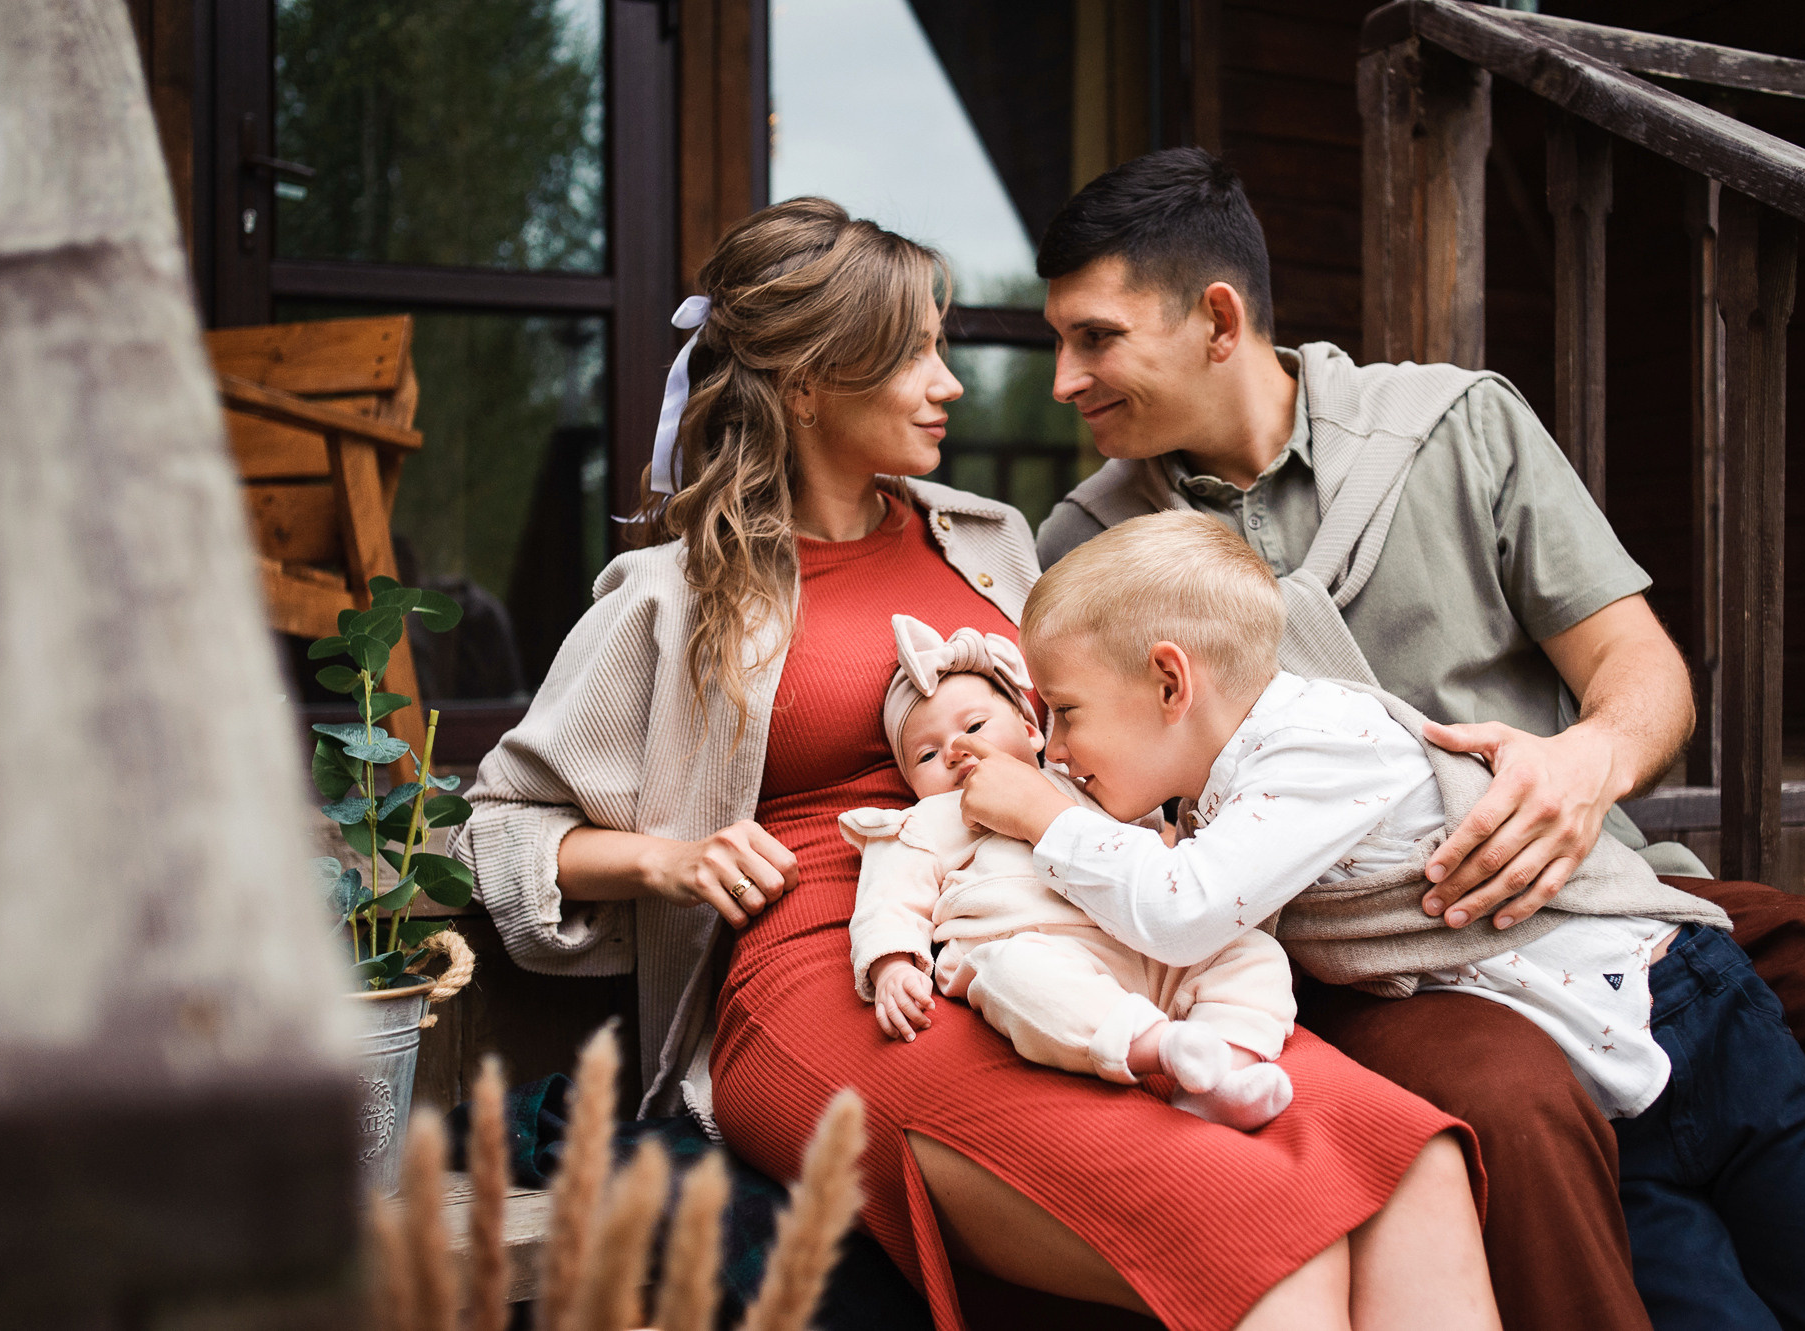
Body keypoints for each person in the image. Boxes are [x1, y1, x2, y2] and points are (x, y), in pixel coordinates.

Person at [452, 197, 1502, 1330]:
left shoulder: (990, 537)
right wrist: (667, 858)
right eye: (913, 354)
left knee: (1412, 1160)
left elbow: (1148, 713)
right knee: (1253, 1219)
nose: (949, 382)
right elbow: (502, 827)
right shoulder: (677, 594)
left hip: (1074, 919)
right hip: (851, 971)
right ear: (807, 385)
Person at [1031, 146, 1805, 1330]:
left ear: (1217, 319)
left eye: (1094, 338)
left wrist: (1582, 766)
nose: (1062, 378)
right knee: (1516, 1100)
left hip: (1598, 896)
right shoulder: (1085, 549)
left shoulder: (1452, 425)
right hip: (1376, 964)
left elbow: (1639, 669)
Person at [962, 510, 1805, 1331]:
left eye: (1065, 712)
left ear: (1171, 683)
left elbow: (1184, 910)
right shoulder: (1216, 776)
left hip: (1695, 1020)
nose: (1054, 750)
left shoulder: (1317, 745)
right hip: (1605, 1099)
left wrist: (1044, 817)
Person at [846, 614, 1298, 1129]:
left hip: (1145, 944)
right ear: (911, 784)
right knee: (1012, 977)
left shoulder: (1087, 782)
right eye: (927, 754)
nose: (955, 751)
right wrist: (892, 966)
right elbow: (887, 899)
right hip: (1040, 950)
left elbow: (1151, 842)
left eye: (974, 727)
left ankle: (1228, 1069)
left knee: (1251, 950)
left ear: (1030, 730)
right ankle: (1163, 1048)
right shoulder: (926, 820)